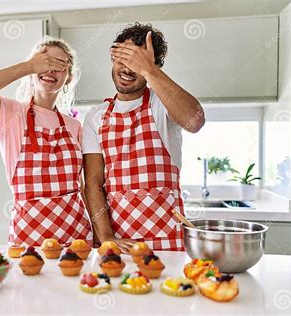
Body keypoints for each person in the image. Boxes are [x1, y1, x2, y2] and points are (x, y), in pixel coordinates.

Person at [82, 23, 205, 253]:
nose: (128, 70)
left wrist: (149, 70)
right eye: (124, 60)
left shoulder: (162, 105)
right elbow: (93, 184)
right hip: (119, 243)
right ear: (112, 56)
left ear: (154, 66)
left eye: (137, 64)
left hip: (166, 244)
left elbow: (194, 121)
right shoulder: (95, 117)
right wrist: (107, 237)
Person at [0, 37, 93, 247]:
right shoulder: (12, 114)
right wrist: (29, 66)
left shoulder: (74, 125)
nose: (50, 70)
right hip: (29, 236)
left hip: (77, 234)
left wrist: (99, 235)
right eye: (45, 62)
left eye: (59, 65)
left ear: (69, 77)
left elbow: (82, 187)